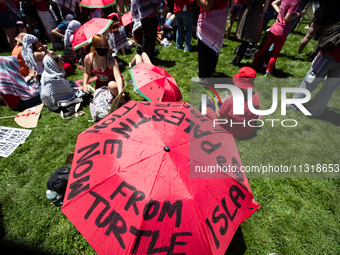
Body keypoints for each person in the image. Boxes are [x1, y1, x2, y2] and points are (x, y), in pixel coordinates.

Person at [252, 0, 304, 76]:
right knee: (275, 54)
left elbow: (274, 3)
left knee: (263, 48)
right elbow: (287, 19)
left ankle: (253, 64)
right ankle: (268, 71)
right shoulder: (295, 2)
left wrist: (279, 13)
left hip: (274, 28)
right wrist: (300, 14)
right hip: (282, 32)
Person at [208, 67, 261, 139]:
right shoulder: (256, 95)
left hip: (232, 132)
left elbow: (220, 119)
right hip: (248, 131)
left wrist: (216, 103)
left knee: (205, 104)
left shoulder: (231, 99)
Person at [289, 45, 340, 116]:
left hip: (328, 54)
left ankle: (295, 104)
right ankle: (313, 111)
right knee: (329, 89)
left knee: (309, 81)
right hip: (328, 54)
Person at [195, 0, 229, 78]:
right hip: (220, 17)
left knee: (205, 49)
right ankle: (210, 74)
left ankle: (204, 77)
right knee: (213, 49)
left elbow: (206, 7)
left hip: (210, 19)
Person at [231, 0, 269, 65]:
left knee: (244, 40)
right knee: (247, 40)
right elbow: (264, 10)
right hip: (255, 16)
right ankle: (238, 60)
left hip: (247, 13)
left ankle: (236, 57)